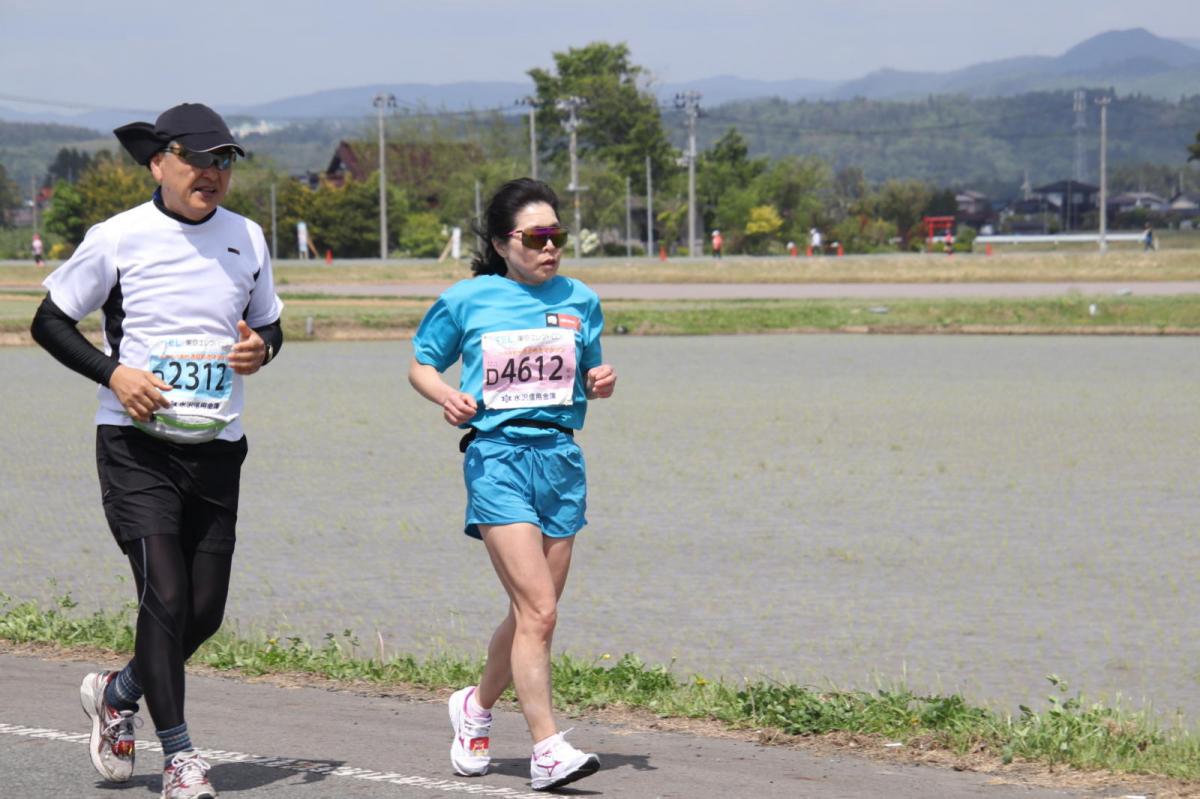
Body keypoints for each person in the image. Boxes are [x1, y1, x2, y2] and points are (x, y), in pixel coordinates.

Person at [29, 102, 284, 799]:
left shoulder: (248, 237)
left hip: (217, 446)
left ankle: (117, 692)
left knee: (203, 612)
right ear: (158, 164)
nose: (211, 173)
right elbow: (49, 321)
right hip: (135, 446)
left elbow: (268, 326)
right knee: (164, 593)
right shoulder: (119, 237)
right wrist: (114, 373)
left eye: (223, 160)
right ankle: (179, 758)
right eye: (197, 159)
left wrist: (262, 349)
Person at [408, 178, 616, 792]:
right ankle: (547, 749)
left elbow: (590, 373)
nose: (550, 247)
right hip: (496, 458)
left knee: (532, 615)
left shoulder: (581, 299)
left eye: (558, 235)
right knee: (540, 610)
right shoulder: (468, 299)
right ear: (502, 244)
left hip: (560, 460)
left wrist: (601, 381)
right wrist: (446, 395)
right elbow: (422, 364)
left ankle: (474, 708)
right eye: (536, 237)